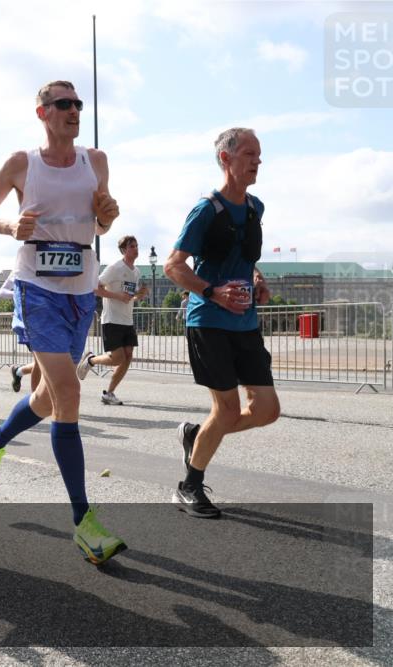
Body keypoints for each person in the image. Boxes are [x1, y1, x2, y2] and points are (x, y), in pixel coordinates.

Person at [0, 80, 125, 564]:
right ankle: (84, 522)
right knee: (69, 392)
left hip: (80, 288)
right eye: (63, 104)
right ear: (42, 112)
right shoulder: (23, 163)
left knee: (47, 396)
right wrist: (7, 226)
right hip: (36, 287)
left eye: (78, 103)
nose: (74, 110)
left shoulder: (95, 160)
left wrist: (108, 217)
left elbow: (100, 222)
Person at [164, 127, 280, 519]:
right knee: (227, 409)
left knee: (267, 410)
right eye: (249, 154)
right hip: (209, 322)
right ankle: (189, 486)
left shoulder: (255, 208)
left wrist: (258, 280)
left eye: (259, 155)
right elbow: (173, 266)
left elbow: (245, 258)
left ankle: (198, 436)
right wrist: (213, 292)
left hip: (245, 324)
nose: (257, 161)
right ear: (225, 159)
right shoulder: (206, 211)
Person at [77, 235, 149, 405]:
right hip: (112, 319)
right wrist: (117, 296)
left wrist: (140, 295)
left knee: (128, 357)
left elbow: (128, 297)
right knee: (117, 358)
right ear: (124, 250)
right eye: (132, 246)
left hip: (127, 320)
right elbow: (96, 288)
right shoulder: (115, 268)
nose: (136, 249)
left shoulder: (136, 271)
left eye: (137, 245)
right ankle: (91, 360)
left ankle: (109, 393)